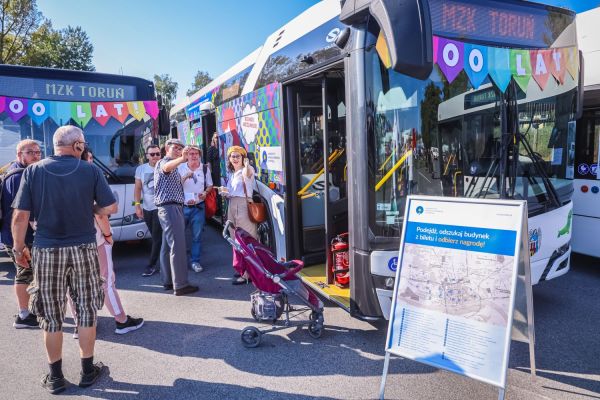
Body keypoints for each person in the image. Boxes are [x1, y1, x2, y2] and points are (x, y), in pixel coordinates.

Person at [12, 125, 117, 393]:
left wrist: (18, 248)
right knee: (86, 310)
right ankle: (87, 371)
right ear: (78, 145)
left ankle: (56, 377)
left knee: (50, 314)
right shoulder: (90, 170)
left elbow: (20, 217)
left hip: (46, 250)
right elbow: (110, 207)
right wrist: (91, 207)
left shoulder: (33, 171)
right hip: (82, 247)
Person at [69, 148, 143, 337]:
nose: (93, 162)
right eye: (91, 158)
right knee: (106, 280)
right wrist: (108, 236)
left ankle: (81, 324)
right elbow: (102, 213)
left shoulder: (51, 177)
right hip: (93, 239)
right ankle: (121, 320)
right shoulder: (91, 178)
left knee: (74, 285)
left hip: (64, 244)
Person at [1, 139, 42, 329]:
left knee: (29, 273)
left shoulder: (20, 172)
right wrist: (21, 244)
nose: (36, 155)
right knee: (24, 273)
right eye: (30, 152)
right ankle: (23, 315)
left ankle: (30, 310)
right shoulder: (19, 176)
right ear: (19, 155)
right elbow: (19, 214)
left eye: (38, 152)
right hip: (19, 237)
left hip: (18, 235)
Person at [154, 138, 199, 296]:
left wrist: (185, 177)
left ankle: (168, 281)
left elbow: (170, 181)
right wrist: (182, 159)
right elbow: (166, 168)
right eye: (175, 148)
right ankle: (180, 285)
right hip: (170, 207)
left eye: (181, 148)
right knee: (178, 246)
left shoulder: (173, 165)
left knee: (167, 247)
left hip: (169, 207)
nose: (179, 150)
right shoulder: (164, 162)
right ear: (167, 148)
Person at [221, 145, 258, 285]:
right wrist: (225, 192)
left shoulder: (246, 170)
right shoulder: (232, 174)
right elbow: (232, 191)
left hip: (243, 205)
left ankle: (249, 274)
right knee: (234, 239)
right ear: (229, 159)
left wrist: (247, 164)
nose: (235, 158)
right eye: (232, 156)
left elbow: (248, 174)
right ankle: (242, 269)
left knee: (246, 240)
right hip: (232, 204)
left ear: (243, 158)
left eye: (238, 156)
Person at [177, 144, 213, 272]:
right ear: (186, 155)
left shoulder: (204, 169)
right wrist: (185, 177)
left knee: (196, 236)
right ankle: (178, 262)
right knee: (178, 235)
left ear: (199, 155)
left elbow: (209, 186)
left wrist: (205, 193)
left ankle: (195, 261)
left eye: (196, 154)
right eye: (191, 154)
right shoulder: (180, 167)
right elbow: (175, 186)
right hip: (182, 207)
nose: (193, 156)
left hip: (198, 207)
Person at [134, 144, 163, 277]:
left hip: (160, 208)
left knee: (156, 238)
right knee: (156, 237)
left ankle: (151, 265)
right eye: (152, 154)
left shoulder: (164, 166)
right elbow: (138, 188)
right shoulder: (141, 169)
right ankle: (165, 261)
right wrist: (137, 206)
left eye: (157, 153)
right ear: (147, 156)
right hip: (147, 208)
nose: (155, 156)